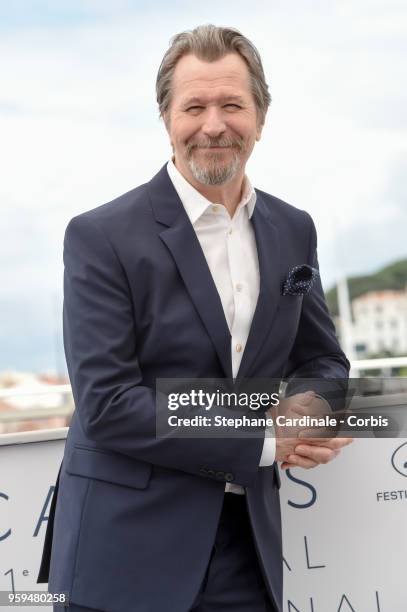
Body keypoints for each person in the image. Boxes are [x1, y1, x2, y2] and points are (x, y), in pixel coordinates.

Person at [37, 24, 352, 612]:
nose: (213, 125)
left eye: (232, 104)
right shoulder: (99, 236)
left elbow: (323, 358)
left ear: (260, 116)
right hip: (123, 554)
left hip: (248, 549)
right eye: (194, 107)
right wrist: (264, 436)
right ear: (166, 118)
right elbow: (107, 403)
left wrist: (311, 408)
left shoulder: (293, 228)